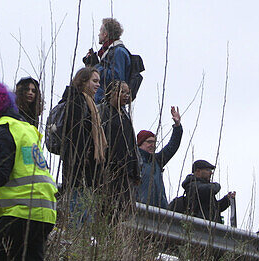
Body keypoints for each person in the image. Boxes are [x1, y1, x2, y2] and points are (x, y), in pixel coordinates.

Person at [0, 80, 57, 261]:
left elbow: (0, 176)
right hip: (46, 211)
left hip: (22, 211)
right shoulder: (26, 128)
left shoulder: (2, 129)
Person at [59, 66, 106, 215]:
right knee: (78, 212)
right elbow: (75, 136)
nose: (98, 85)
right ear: (84, 81)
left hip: (86, 168)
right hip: (78, 168)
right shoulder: (77, 101)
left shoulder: (90, 104)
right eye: (95, 81)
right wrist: (80, 162)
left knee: (85, 213)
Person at [100, 80, 140, 213]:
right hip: (109, 169)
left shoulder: (126, 116)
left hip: (125, 172)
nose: (126, 96)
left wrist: (135, 170)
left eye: (128, 93)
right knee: (107, 208)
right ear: (111, 92)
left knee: (124, 211)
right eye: (123, 92)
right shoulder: (103, 111)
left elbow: (131, 144)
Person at [136, 105, 183, 208]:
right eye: (149, 142)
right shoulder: (133, 160)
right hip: (139, 208)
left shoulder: (157, 160)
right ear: (140, 143)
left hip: (159, 211)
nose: (152, 145)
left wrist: (177, 126)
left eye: (154, 142)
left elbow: (172, 146)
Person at [82, 17, 130, 103]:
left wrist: (96, 66)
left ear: (105, 34)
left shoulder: (118, 51)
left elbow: (116, 80)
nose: (98, 34)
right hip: (101, 104)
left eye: (100, 31)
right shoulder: (109, 52)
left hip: (108, 107)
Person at [175, 159, 235, 223]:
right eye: (208, 170)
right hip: (199, 228)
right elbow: (210, 189)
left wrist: (226, 200)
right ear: (198, 171)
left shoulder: (203, 188)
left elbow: (213, 209)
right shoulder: (193, 185)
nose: (211, 173)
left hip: (208, 227)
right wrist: (216, 185)